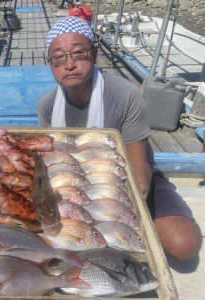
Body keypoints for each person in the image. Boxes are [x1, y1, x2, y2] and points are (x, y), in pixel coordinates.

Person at [37, 16, 202, 262]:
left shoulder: (125, 95)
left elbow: (138, 160)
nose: (68, 64)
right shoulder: (47, 105)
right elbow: (52, 162)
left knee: (184, 246)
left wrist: (125, 206)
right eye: (58, 57)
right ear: (50, 63)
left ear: (93, 55)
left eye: (78, 53)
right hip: (71, 183)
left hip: (128, 178)